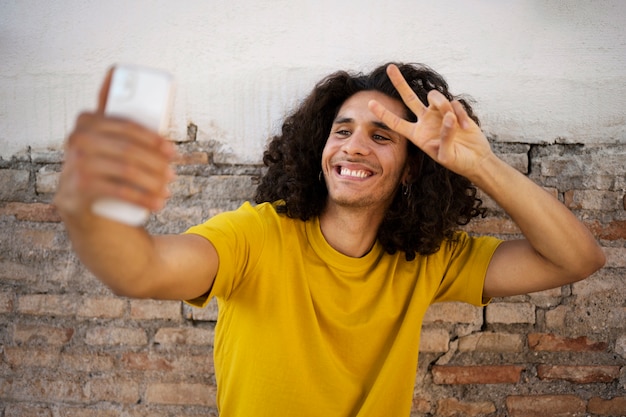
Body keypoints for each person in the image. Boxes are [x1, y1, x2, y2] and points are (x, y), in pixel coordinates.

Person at [54, 62, 606, 416]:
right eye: (342, 131)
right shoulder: (256, 235)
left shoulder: (429, 260)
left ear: (413, 168)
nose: (354, 146)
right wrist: (94, 207)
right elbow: (140, 270)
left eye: (381, 136)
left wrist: (482, 165)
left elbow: (578, 258)